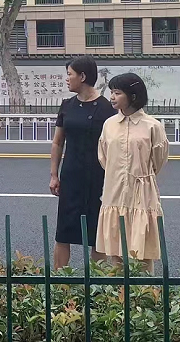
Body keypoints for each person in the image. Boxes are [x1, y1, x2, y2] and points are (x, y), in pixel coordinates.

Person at [96, 73, 169, 272]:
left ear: (133, 96)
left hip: (142, 192)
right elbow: (104, 157)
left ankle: (144, 288)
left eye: (117, 93)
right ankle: (119, 289)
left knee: (142, 250)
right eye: (112, 92)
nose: (112, 97)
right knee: (116, 249)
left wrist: (139, 174)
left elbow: (158, 161)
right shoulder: (109, 125)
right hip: (114, 190)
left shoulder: (153, 126)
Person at [49, 56, 116, 268]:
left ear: (83, 76)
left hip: (99, 177)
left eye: (70, 74)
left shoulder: (107, 108)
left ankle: (97, 280)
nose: (67, 79)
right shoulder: (67, 106)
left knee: (97, 232)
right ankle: (59, 280)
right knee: (64, 231)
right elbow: (58, 142)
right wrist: (54, 175)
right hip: (71, 175)